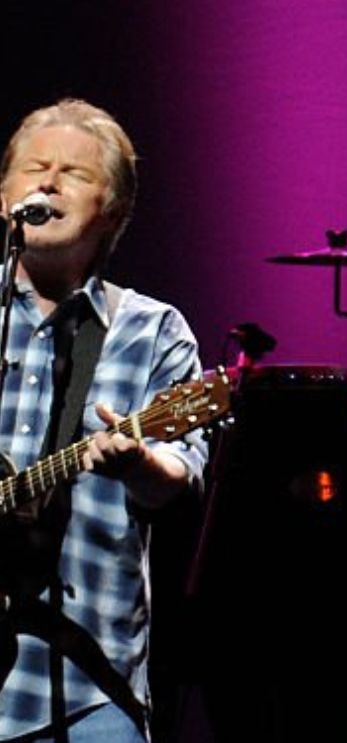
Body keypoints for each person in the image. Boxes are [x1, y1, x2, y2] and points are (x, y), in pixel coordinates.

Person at [0, 99, 206, 741]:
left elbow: (179, 474)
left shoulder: (153, 330)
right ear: (3, 194)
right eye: (35, 167)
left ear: (111, 211)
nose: (49, 181)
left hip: (88, 691)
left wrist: (137, 460)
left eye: (75, 173)